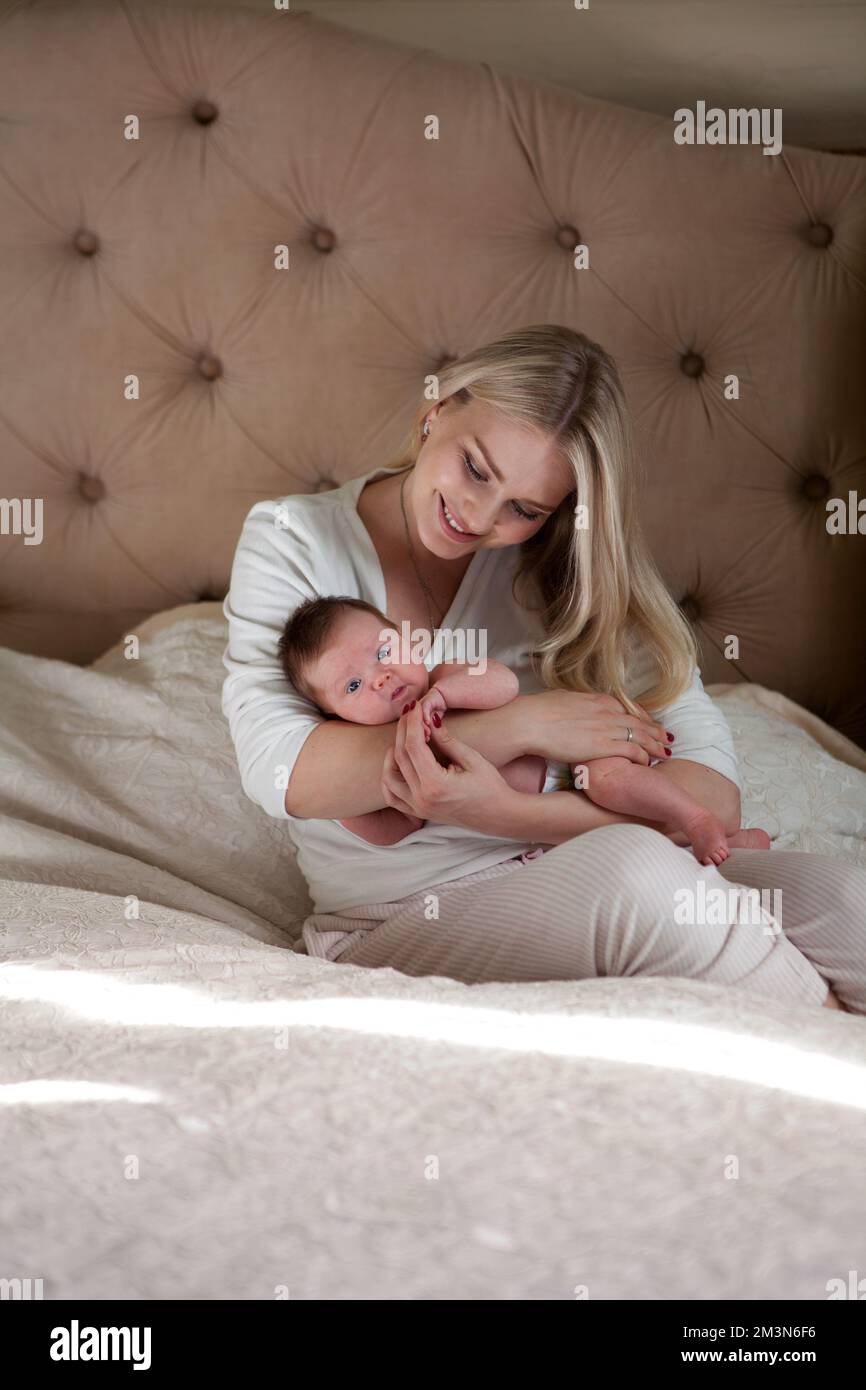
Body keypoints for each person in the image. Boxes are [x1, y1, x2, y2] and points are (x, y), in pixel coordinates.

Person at [222, 324, 862, 1013]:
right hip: (401, 913)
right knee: (645, 880)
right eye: (475, 467)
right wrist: (525, 722)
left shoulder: (570, 572)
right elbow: (286, 771)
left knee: (846, 900)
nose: (477, 515)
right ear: (438, 410)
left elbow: (711, 801)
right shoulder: (294, 538)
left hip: (564, 864)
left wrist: (513, 814)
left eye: (523, 509)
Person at [276, 593, 771, 864]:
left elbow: (503, 684)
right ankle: (730, 845)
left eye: (384, 653)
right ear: (336, 719)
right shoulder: (395, 754)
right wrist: (349, 805)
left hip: (572, 764)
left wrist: (446, 696)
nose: (382, 676)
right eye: (355, 685)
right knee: (605, 857)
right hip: (540, 828)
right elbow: (395, 828)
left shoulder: (444, 678)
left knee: (612, 782)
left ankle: (700, 820)